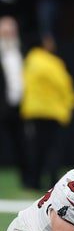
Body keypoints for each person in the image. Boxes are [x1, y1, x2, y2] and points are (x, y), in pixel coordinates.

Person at [20, 34, 74, 190]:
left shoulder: (29, 61)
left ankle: (34, 181)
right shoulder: (52, 62)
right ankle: (52, 181)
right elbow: (63, 84)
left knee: (37, 148)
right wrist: (70, 102)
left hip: (34, 112)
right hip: (52, 112)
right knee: (53, 149)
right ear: (44, 43)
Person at [0, 16, 28, 188]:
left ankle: (27, 180)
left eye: (12, 31)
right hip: (2, 105)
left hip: (21, 106)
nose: (9, 34)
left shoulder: (22, 50)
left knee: (22, 144)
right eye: (5, 31)